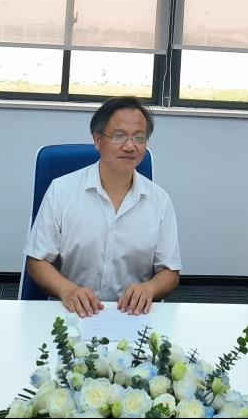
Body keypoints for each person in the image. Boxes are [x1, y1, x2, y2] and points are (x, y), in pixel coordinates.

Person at [24, 96, 181, 317]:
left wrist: (149, 289)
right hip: (72, 313)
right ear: (98, 140)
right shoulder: (61, 190)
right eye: (119, 136)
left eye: (139, 137)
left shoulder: (160, 200)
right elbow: (37, 261)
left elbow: (170, 271)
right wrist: (67, 290)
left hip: (132, 315)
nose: (130, 146)